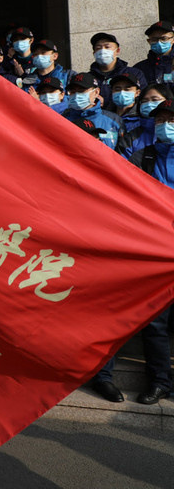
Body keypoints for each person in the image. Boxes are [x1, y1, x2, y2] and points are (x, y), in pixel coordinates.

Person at [90, 99, 174, 406]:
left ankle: (161, 381)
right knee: (130, 315)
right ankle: (103, 377)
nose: (165, 123)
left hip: (168, 250)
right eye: (161, 118)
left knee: (158, 324)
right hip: (143, 247)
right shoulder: (143, 154)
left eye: (171, 117)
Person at [62, 73, 124, 150]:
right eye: (73, 92)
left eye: (81, 91)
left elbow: (122, 155)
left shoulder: (114, 121)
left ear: (96, 92)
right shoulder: (62, 120)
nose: (77, 95)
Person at [134, 20, 174, 87]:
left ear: (173, 39)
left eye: (164, 38)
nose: (159, 42)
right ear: (149, 41)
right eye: (154, 39)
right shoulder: (139, 69)